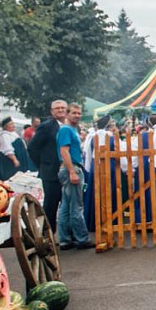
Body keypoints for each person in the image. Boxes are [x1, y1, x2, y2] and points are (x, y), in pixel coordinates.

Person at [28, 100, 70, 230]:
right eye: (57, 108)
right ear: (52, 112)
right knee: (51, 204)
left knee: (69, 204)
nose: (60, 110)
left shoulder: (71, 125)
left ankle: (68, 233)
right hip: (51, 173)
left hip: (69, 171)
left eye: (63, 108)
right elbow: (32, 147)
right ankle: (49, 233)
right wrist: (43, 165)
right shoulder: (46, 127)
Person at [55, 103, 92, 250]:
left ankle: (64, 239)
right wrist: (72, 171)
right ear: (67, 114)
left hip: (69, 168)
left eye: (79, 113)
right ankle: (82, 238)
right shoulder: (66, 130)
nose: (77, 115)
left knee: (65, 206)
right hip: (71, 167)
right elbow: (64, 151)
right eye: (74, 113)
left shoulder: (71, 130)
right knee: (76, 206)